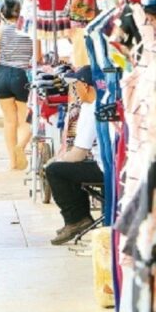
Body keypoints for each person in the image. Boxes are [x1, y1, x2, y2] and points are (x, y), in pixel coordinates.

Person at [45, 66, 102, 245]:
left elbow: (78, 153)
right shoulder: (88, 106)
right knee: (61, 168)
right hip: (101, 161)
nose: (74, 90)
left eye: (76, 85)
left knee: (55, 171)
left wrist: (56, 162)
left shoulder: (94, 109)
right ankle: (78, 217)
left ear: (86, 86)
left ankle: (76, 220)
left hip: (105, 167)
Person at [0, 0, 35, 170]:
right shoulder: (29, 30)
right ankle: (21, 146)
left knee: (9, 121)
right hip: (23, 75)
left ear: (2, 14)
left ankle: (13, 162)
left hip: (2, 75)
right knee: (26, 118)